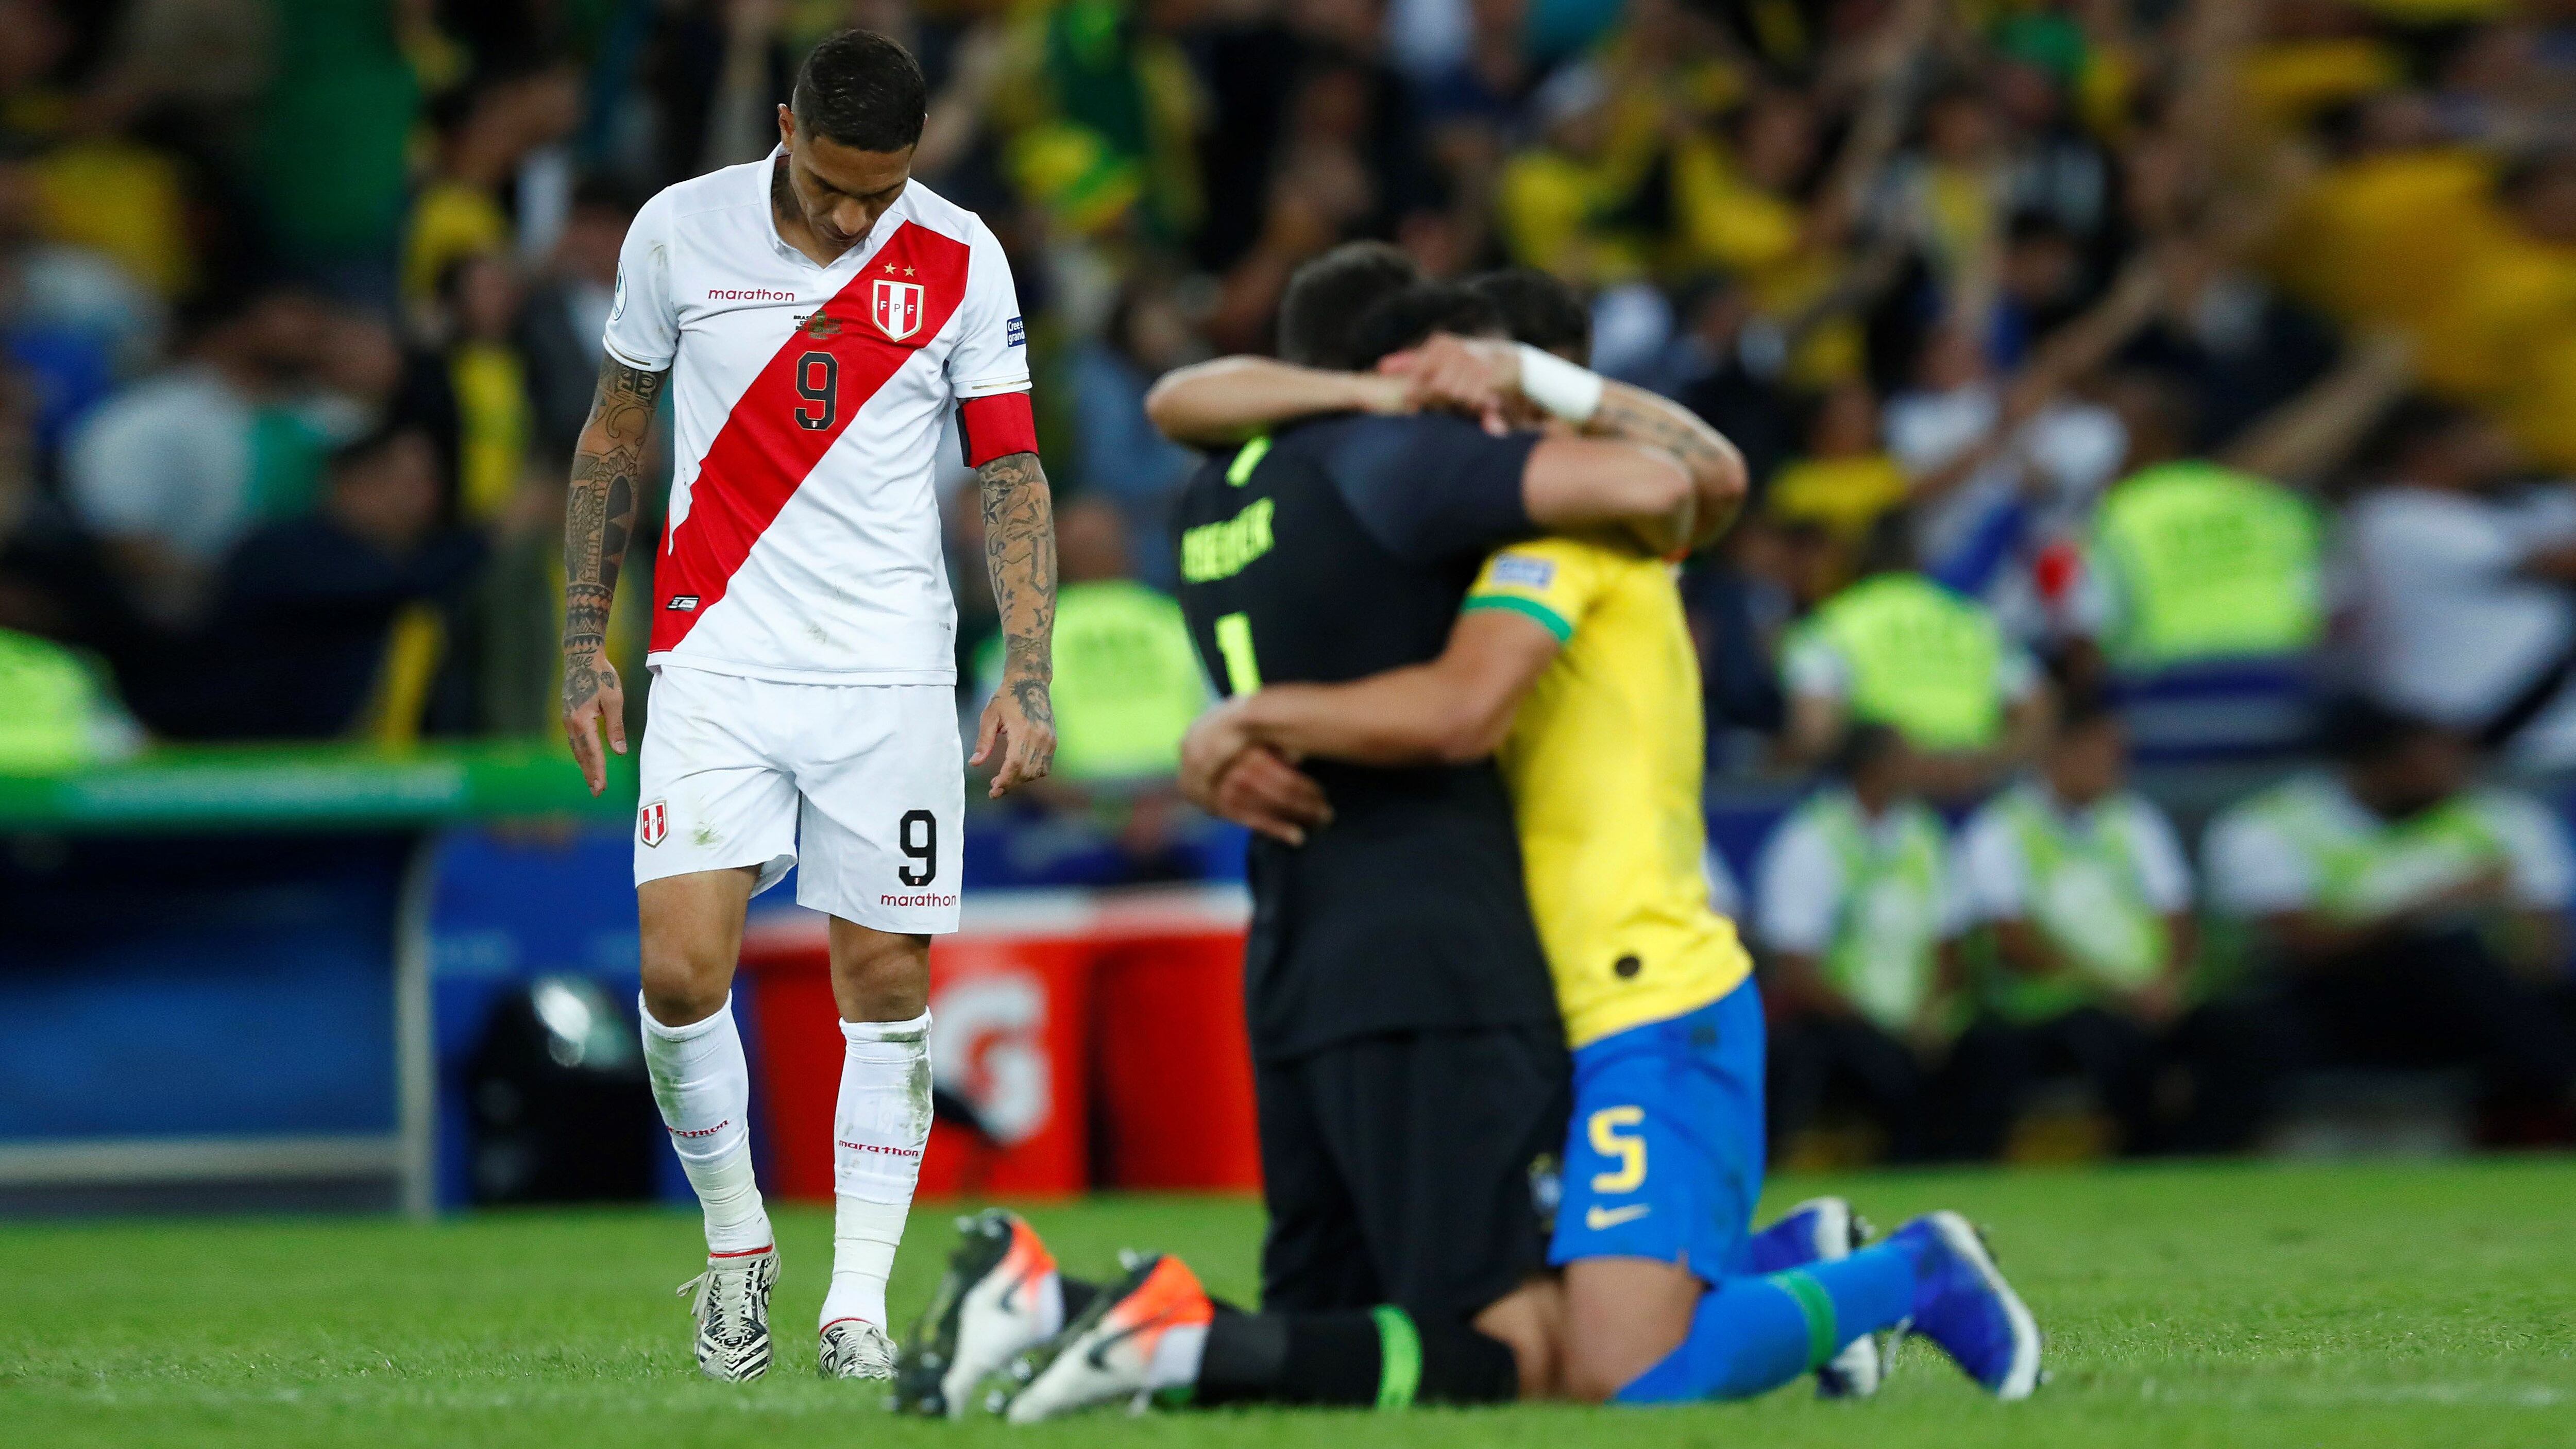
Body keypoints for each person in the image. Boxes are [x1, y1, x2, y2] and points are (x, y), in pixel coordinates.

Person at [924, 266, 2038, 1418]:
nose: (1463, 406)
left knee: (1621, 1370)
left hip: (1643, 988)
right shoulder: (1478, 528)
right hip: (1530, 990)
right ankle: (1788, 1253)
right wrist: (1382, 400)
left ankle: (1906, 1273)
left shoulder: (1580, 533)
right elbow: (1190, 402)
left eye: (1479, 382)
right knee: (1517, 1322)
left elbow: (1465, 700)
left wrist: (1246, 719)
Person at [891, 248, 1725, 1419]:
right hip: (1438, 942)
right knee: (1518, 1346)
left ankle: (1079, 1316)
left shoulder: (1214, 497)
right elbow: (1656, 489)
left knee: (1333, 1325)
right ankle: (1087, 1316)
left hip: (1292, 934)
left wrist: (1223, 732)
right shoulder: (1405, 464)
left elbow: (1180, 399)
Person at [553, 29, 1059, 1385]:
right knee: (677, 970)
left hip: (891, 667)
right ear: (783, 124)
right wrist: (581, 644)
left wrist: (1028, 667)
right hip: (713, 651)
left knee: (887, 985)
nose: (851, 215)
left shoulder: (959, 254)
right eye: (831, 184)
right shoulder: (678, 229)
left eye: (877, 191)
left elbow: (1009, 470)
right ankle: (735, 1245)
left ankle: (856, 1309)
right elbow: (615, 435)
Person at [2194, 702, 2576, 1149]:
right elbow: (2302, 947)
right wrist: (2428, 905)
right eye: (2436, 757)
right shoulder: (2268, 826)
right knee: (2437, 952)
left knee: (2483, 970)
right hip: (2331, 1005)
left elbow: (2542, 957)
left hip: (2471, 1009)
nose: (2459, 770)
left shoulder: (2505, 822)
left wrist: (2504, 919)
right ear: (2376, 764)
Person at [1948, 693, 2196, 1158]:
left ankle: (2208, 1155)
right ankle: (2141, 1154)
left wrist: (2167, 982)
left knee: (2239, 1030)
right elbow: (2012, 941)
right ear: (2060, 753)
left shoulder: (2136, 821)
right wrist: (2118, 990)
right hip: (2052, 1004)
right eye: (2105, 751)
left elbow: (2179, 917)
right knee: (2101, 1035)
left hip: (2148, 996)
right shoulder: (2001, 829)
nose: (2116, 764)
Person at [1755, 723, 1962, 1164]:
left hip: (1917, 1018)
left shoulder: (1923, 835)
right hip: (1841, 1018)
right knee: (1868, 1061)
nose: (1921, 768)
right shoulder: (1811, 839)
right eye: (1907, 758)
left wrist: (1930, 1012)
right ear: (1873, 769)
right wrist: (1877, 1024)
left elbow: (1948, 945)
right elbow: (1795, 968)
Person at [1776, 517, 2051, 798]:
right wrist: (1981, 763)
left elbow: (1814, 735)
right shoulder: (1973, 621)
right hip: (1971, 795)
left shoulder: (1830, 625)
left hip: (1883, 793)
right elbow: (2038, 712)